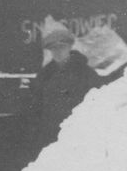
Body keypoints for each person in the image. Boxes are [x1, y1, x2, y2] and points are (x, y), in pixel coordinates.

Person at [28, 18, 98, 152]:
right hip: (50, 139)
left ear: (70, 47)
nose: (58, 52)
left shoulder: (85, 73)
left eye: (62, 47)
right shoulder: (44, 76)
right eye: (54, 49)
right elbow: (36, 109)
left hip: (79, 138)